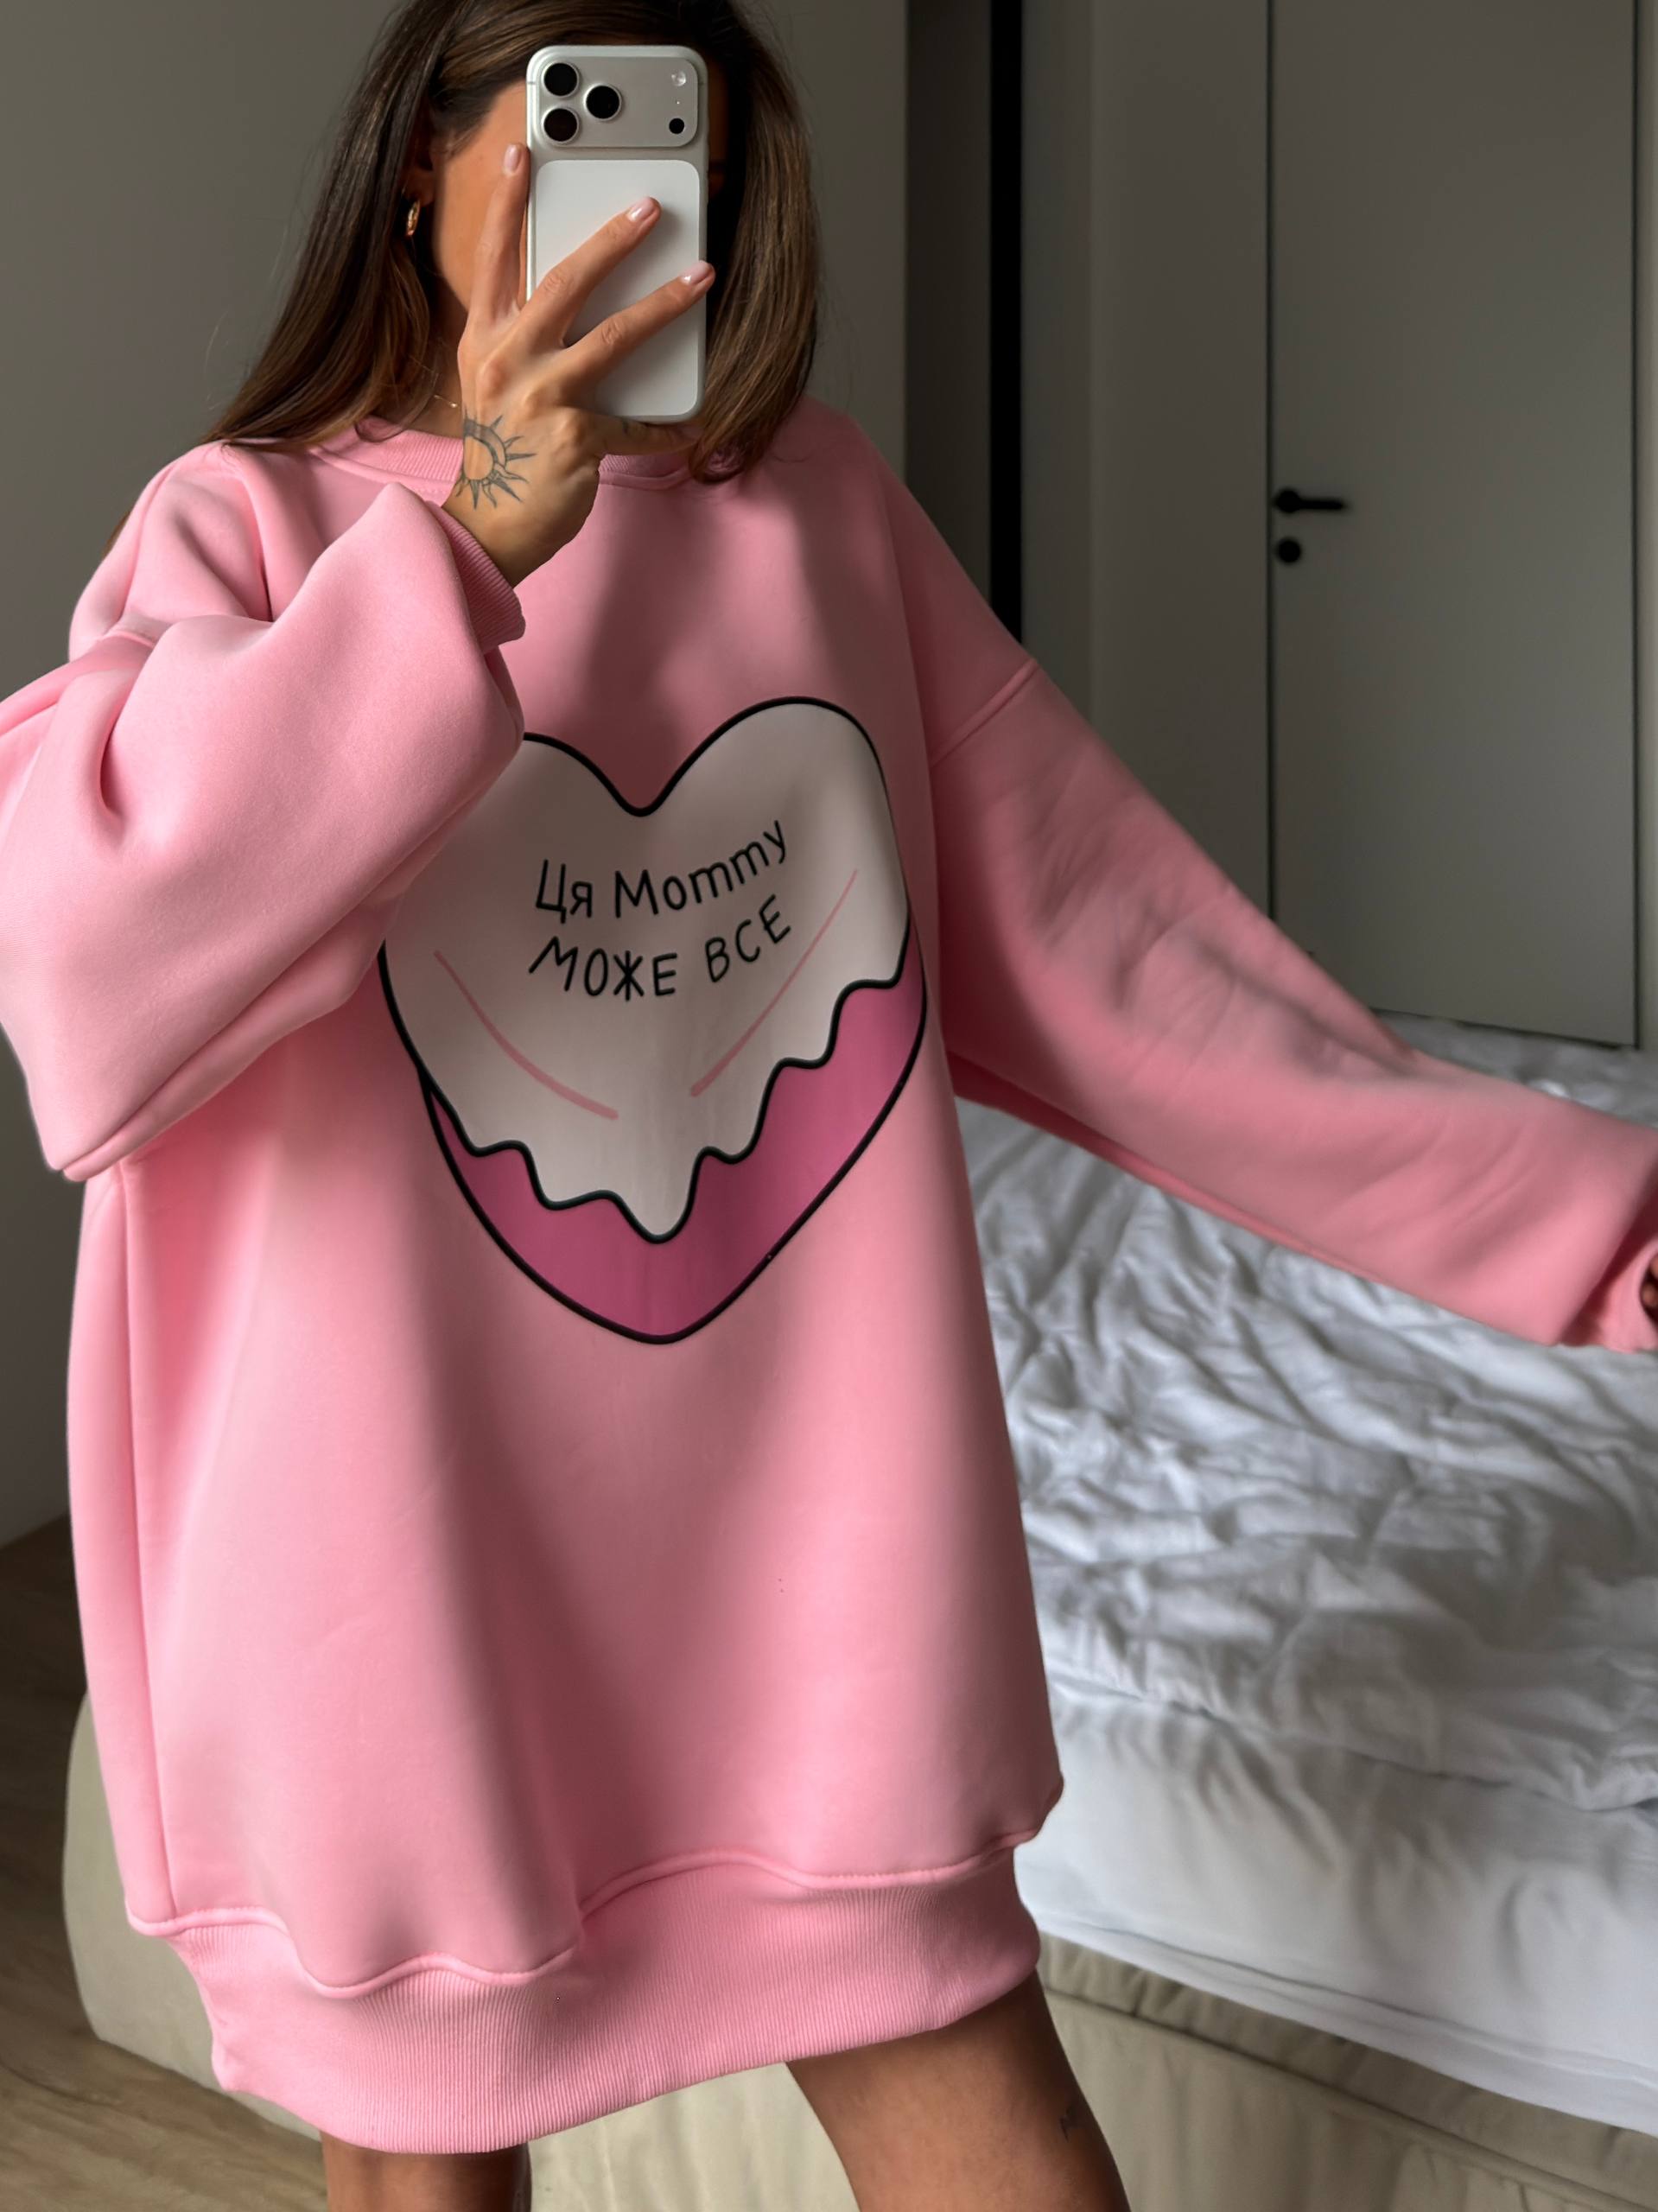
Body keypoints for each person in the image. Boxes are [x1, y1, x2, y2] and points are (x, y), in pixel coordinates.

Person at [4, 5, 1658, 2210]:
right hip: (394, 1574)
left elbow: (1128, 964)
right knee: (423, 2167)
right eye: (569, 128)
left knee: (990, 2129)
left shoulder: (816, 519)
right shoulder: (245, 525)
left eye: (673, 150)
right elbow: (86, 975)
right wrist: (471, 542)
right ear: (418, 161)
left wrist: (1597, 1217)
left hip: (808, 1583)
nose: (625, 207)